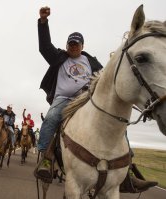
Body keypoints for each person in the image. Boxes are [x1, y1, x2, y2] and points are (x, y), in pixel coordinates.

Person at [34, 6, 157, 191]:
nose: (73, 46)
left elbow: (107, 78)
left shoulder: (91, 61)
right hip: (64, 99)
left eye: (76, 44)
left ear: (82, 46)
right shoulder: (59, 57)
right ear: (67, 45)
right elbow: (44, 47)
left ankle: (128, 171)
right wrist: (43, 22)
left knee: (118, 123)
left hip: (88, 99)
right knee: (52, 118)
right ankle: (45, 158)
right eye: (70, 44)